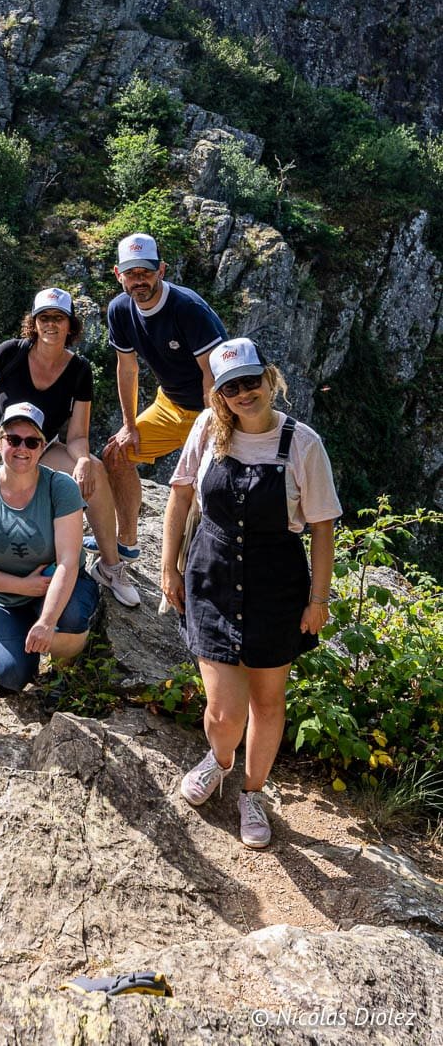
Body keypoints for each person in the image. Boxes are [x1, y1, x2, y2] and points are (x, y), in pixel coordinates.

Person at [161, 337, 339, 849]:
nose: (244, 393)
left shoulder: (303, 444)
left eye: (251, 382)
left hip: (276, 583)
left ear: (270, 379)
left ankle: (252, 793)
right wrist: (168, 567)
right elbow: (180, 497)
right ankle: (218, 762)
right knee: (223, 710)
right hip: (212, 576)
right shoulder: (207, 430)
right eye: (231, 387)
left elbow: (322, 529)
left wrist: (318, 600)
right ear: (219, 394)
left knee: (267, 701)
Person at [0, 286, 140, 607]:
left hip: (37, 448)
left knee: (93, 467)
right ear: (34, 322)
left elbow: (77, 435)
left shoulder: (79, 371)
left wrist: (80, 460)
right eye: (44, 318)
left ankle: (110, 567)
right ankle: (0, 586)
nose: (51, 324)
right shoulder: (11, 352)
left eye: (59, 318)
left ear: (70, 325)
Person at [0, 402, 100, 691]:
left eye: (32, 441)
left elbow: (68, 561)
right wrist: (22, 586)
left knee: (69, 617)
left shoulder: (61, 488)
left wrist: (47, 621)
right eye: (13, 439)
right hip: (2, 596)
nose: (23, 448)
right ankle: (27, 637)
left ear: (42, 447)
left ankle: (67, 647)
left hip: (54, 582)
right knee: (11, 676)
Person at [101, 233, 226, 566]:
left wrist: (213, 432)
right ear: (118, 274)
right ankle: (125, 543)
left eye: (146, 271)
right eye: (131, 273)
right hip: (169, 405)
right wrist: (129, 426)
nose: (139, 279)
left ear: (161, 270)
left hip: (210, 411)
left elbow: (212, 377)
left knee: (207, 488)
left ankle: (197, 565)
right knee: (116, 454)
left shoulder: (188, 309)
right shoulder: (120, 310)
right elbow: (126, 369)